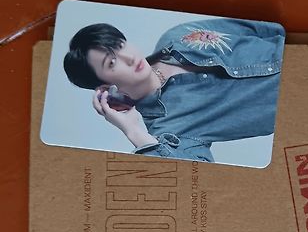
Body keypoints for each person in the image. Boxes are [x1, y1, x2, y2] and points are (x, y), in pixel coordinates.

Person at [63, 17, 285, 162]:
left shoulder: (177, 37)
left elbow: (260, 28)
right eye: (112, 62)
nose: (129, 57)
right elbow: (196, 177)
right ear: (105, 86)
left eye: (120, 45)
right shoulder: (169, 130)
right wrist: (133, 132)